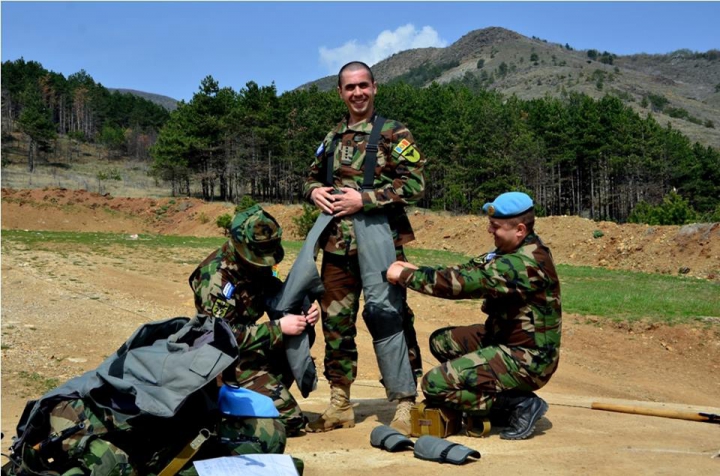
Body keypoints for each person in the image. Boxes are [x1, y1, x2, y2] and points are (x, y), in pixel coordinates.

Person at [303, 61, 426, 434]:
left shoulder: (392, 132)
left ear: (374, 87)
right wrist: (313, 191)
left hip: (380, 245)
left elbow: (416, 185)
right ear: (340, 92)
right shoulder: (334, 135)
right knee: (336, 325)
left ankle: (404, 401)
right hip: (337, 249)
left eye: (363, 86)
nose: (357, 93)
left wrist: (364, 199)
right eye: (349, 87)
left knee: (388, 317)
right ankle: (340, 400)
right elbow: (310, 175)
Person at [387, 191, 562, 440]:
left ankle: (517, 404)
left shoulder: (524, 264)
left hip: (529, 359)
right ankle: (496, 391)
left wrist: (405, 277)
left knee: (434, 385)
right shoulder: (508, 251)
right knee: (442, 341)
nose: (490, 231)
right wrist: (418, 270)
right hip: (505, 340)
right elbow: (467, 269)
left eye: (496, 226)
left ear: (520, 229)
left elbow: (463, 284)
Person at [189, 204, 320, 437]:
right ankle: (225, 409)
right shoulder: (216, 277)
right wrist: (278, 328)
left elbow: (275, 293)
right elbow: (220, 336)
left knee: (301, 331)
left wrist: (305, 309)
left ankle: (264, 393)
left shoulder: (253, 265)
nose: (265, 263)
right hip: (224, 361)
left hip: (249, 352)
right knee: (290, 422)